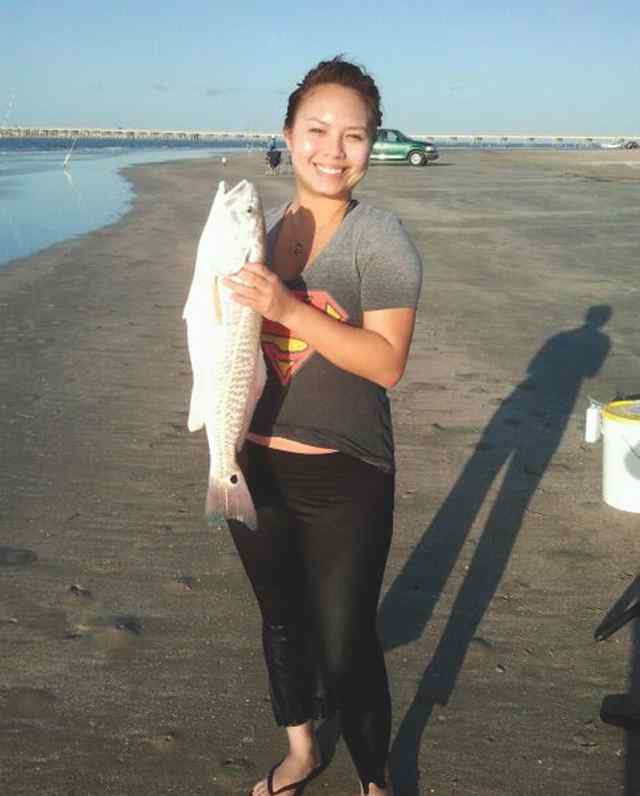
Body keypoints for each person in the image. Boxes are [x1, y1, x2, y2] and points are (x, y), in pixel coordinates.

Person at [223, 56, 423, 796]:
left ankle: (376, 779)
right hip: (254, 464)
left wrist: (290, 309)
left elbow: (387, 363)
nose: (333, 151)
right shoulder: (255, 235)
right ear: (288, 134)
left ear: (372, 146)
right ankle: (303, 750)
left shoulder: (381, 241)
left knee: (345, 645)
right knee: (281, 622)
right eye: (317, 130)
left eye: (355, 135)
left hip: (347, 474)